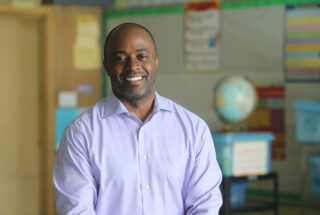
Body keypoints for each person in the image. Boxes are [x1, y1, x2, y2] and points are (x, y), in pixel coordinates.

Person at [53, 22, 222, 215]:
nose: (133, 66)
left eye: (142, 56)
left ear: (156, 62)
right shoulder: (81, 133)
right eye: (121, 58)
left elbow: (205, 206)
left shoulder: (193, 129)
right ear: (107, 67)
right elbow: (76, 210)